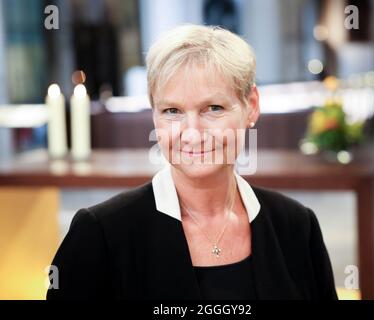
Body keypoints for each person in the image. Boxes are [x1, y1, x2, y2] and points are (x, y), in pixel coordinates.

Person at [47, 24, 337, 300]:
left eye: (213, 108)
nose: (193, 133)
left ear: (252, 107)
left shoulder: (297, 226)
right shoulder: (100, 234)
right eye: (172, 110)